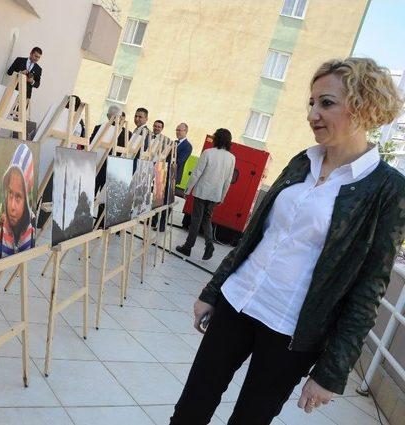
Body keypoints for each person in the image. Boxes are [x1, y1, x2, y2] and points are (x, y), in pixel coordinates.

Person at [170, 57, 405, 425]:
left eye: (326, 103)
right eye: (311, 103)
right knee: (190, 407)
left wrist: (331, 371)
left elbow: (370, 286)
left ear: (363, 104)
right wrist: (214, 290)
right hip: (238, 301)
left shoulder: (387, 187)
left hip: (292, 331)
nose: (313, 114)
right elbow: (255, 237)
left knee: (250, 419)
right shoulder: (303, 160)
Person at [176, 128, 235, 260]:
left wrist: (187, 189)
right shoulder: (231, 158)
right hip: (215, 194)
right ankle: (209, 243)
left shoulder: (208, 153)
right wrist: (222, 196)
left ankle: (187, 247)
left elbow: (197, 172)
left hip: (202, 192)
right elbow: (228, 180)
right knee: (207, 219)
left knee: (196, 219)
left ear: (216, 139)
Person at [0, 144, 36, 262]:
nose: (12, 206)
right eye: (10, 193)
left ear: (28, 198)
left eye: (18, 196)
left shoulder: (31, 233)